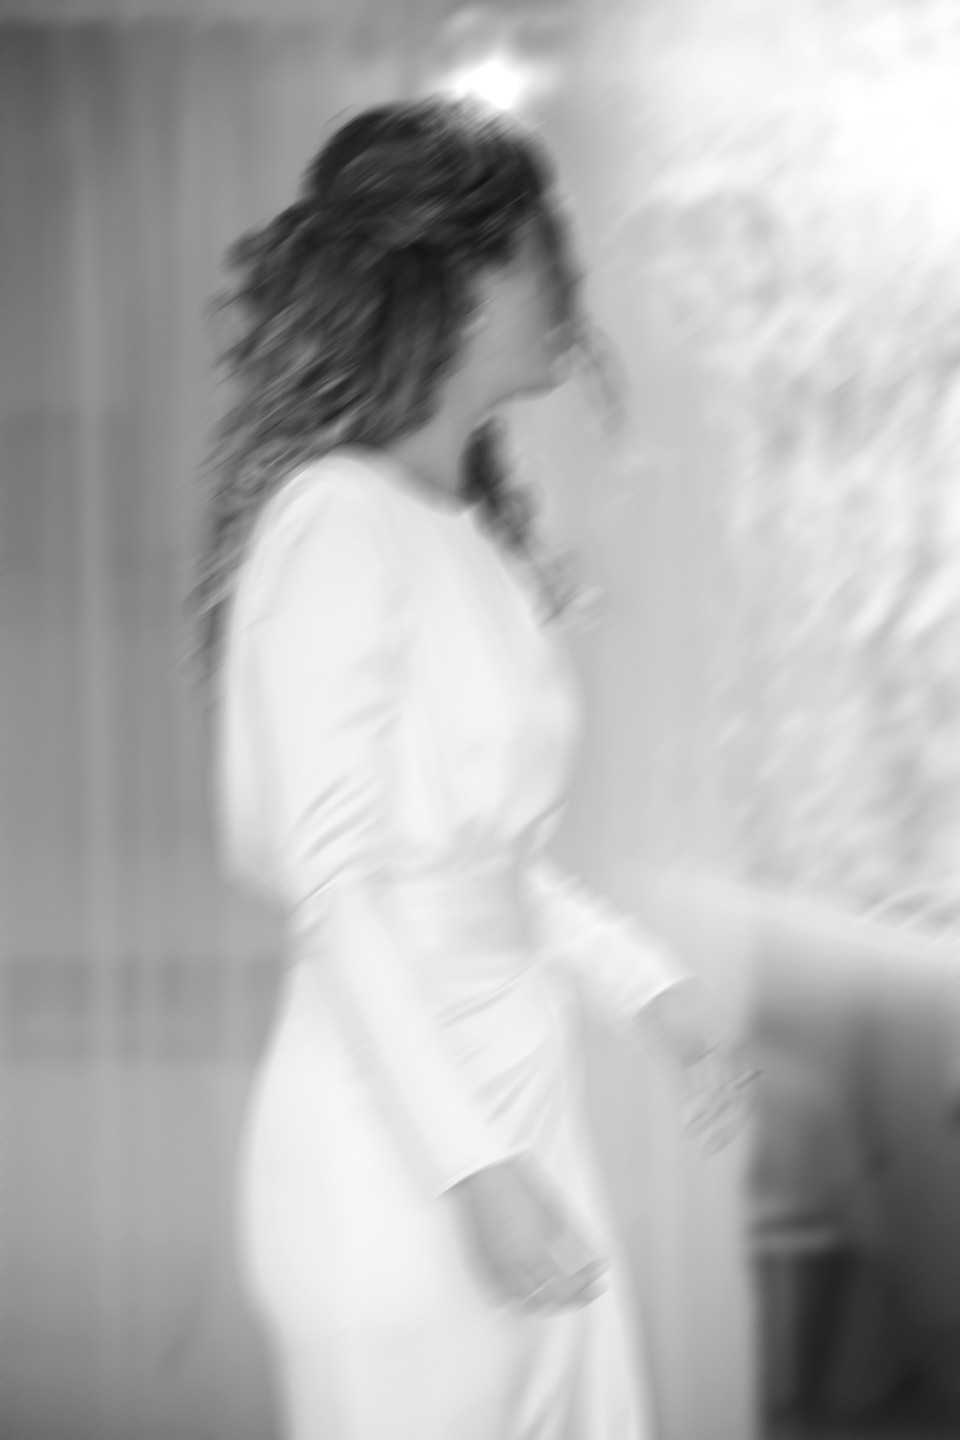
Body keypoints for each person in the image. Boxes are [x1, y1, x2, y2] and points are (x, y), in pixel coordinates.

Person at [189, 96, 752, 1440]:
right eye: (547, 242)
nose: (572, 274)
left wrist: (651, 992)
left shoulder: (466, 534)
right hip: (393, 1157)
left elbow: (486, 865)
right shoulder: (333, 522)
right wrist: (471, 1170)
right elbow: (337, 885)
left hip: (517, 1110)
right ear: (462, 272)